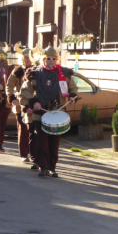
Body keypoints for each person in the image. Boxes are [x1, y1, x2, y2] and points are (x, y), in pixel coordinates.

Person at [21, 44, 77, 178]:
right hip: (40, 112)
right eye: (48, 58)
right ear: (43, 59)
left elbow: (73, 89)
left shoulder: (65, 73)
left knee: (54, 142)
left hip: (58, 112)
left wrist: (72, 96)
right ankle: (43, 167)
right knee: (41, 141)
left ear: (56, 59)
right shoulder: (35, 73)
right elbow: (25, 90)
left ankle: (52, 167)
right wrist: (34, 102)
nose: (50, 61)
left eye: (53, 58)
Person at [7, 44, 38, 163]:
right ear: (22, 58)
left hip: (33, 105)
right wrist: (12, 98)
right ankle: (24, 154)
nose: (28, 59)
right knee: (23, 129)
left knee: (33, 131)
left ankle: (34, 154)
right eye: (26, 57)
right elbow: (9, 86)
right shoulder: (17, 71)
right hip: (20, 106)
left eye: (30, 57)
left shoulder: (37, 70)